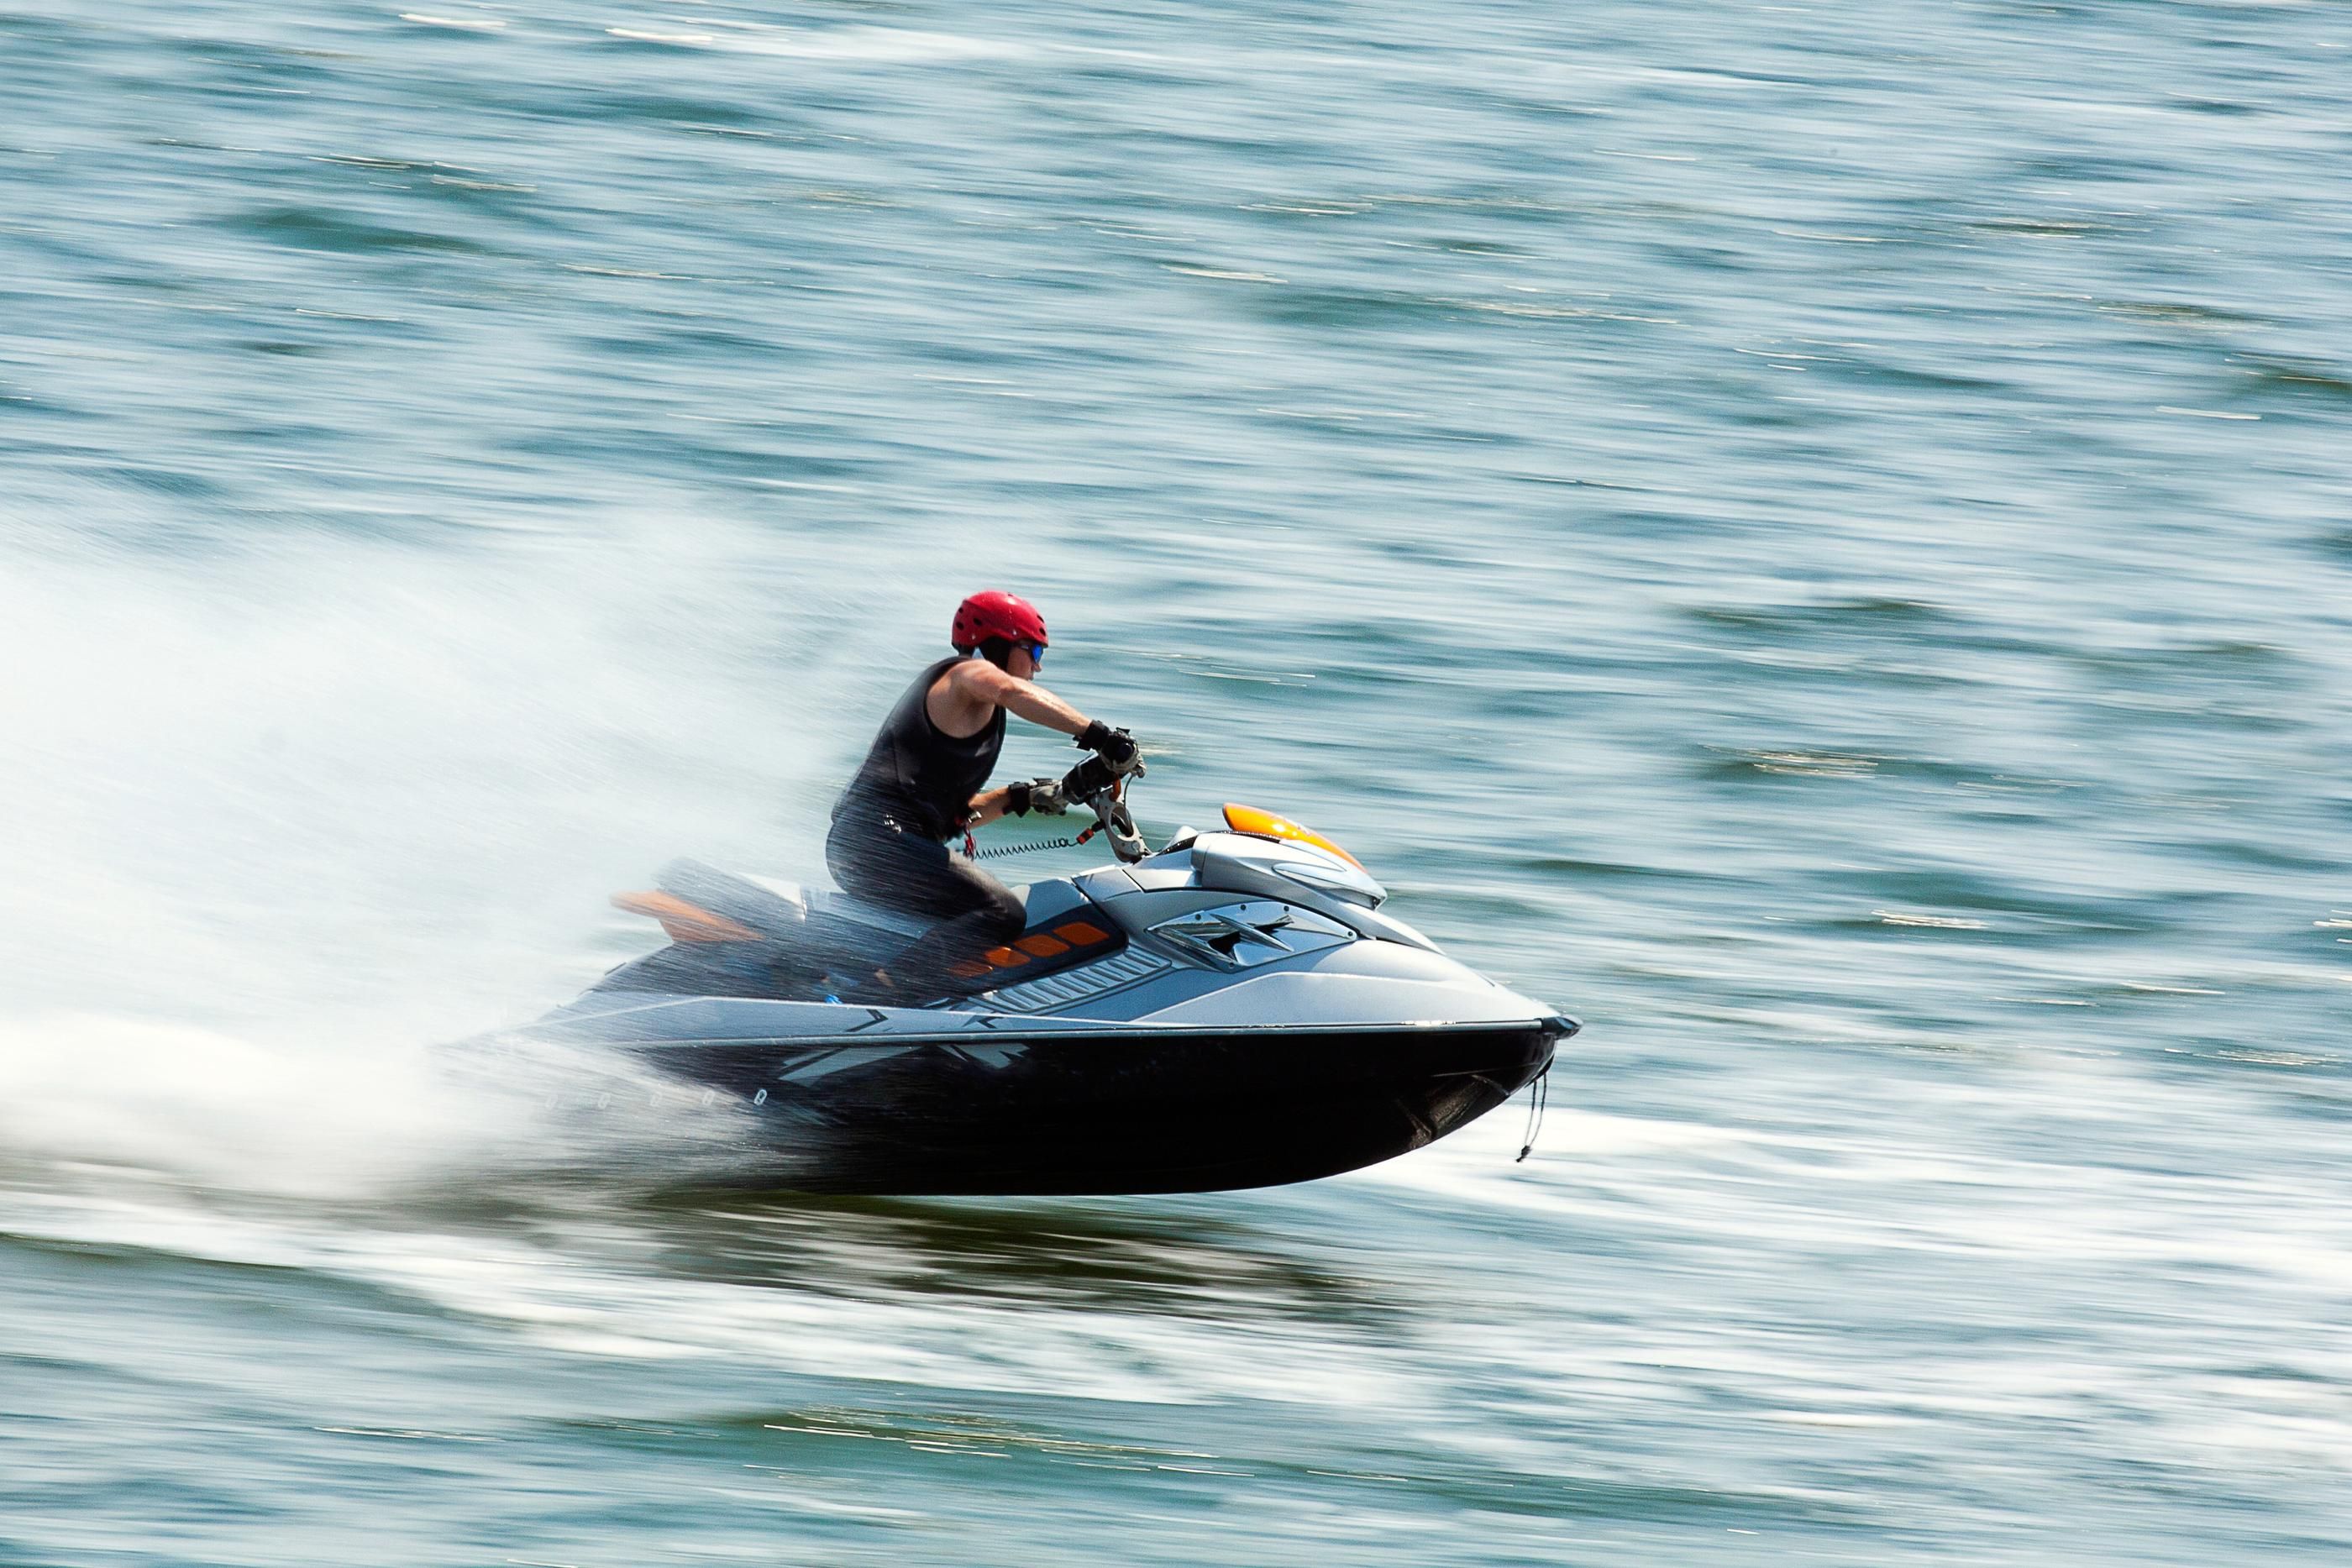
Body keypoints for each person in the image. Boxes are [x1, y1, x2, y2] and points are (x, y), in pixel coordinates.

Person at [825, 590, 1141, 998]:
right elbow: (1012, 691)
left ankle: (909, 991)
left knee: (975, 919)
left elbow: (951, 816)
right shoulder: (965, 675)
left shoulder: (967, 710)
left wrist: (1023, 797)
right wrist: (1101, 737)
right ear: (999, 645)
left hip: (873, 843)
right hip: (877, 841)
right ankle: (876, 996)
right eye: (1034, 650)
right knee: (1002, 912)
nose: (1038, 666)